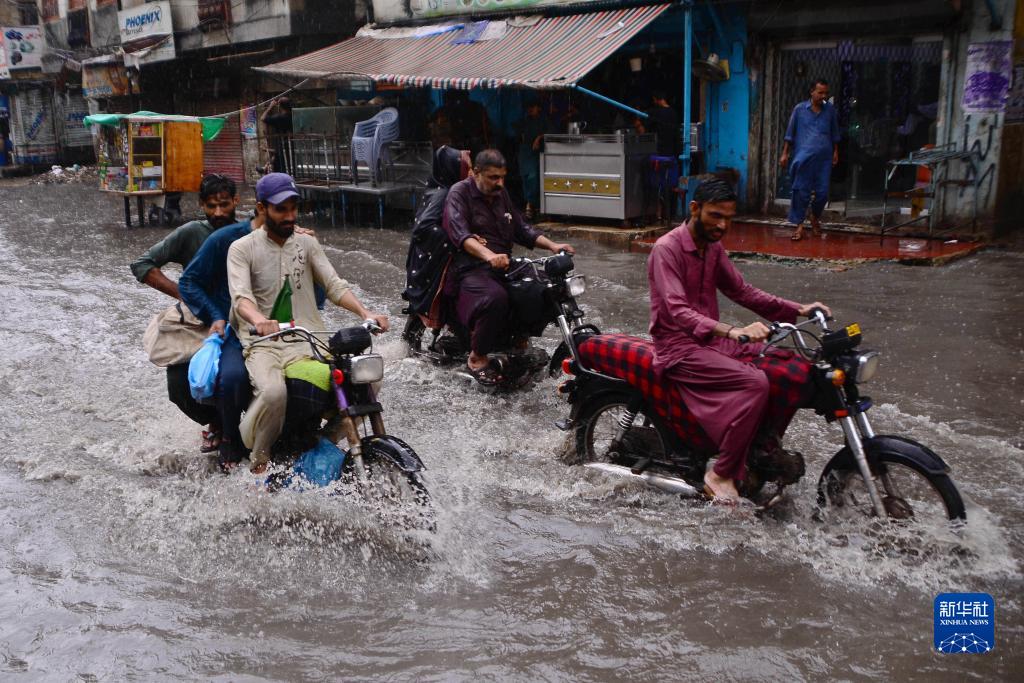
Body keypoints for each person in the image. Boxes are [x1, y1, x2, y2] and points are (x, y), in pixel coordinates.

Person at [647, 178, 830, 502]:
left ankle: (761, 450)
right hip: (678, 347)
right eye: (715, 216)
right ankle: (720, 473)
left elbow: (742, 291)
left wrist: (798, 309)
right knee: (754, 383)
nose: (722, 225)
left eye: (728, 218)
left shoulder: (713, 248)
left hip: (712, 342)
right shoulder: (666, 249)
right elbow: (678, 311)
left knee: (786, 369)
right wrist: (732, 331)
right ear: (695, 208)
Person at [227, 173, 389, 471]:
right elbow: (241, 299)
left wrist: (366, 313)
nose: (290, 216)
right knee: (274, 393)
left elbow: (334, 285)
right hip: (265, 343)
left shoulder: (306, 243)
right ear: (262, 208)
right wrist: (260, 320)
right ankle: (260, 461)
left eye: (293, 208)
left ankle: (325, 441)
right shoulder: (241, 248)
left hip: (310, 340)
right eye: (281, 210)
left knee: (368, 381)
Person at [130, 174, 241, 451]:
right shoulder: (192, 233)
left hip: (244, 319)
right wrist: (184, 294)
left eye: (224, 205)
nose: (219, 212)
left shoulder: (249, 231)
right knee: (178, 385)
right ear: (201, 204)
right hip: (201, 324)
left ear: (236, 201)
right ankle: (216, 422)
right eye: (211, 206)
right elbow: (143, 264)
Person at [442, 149, 573, 384]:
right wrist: (489, 255)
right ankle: (477, 356)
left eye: (502, 177)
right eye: (493, 177)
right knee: (495, 298)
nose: (500, 183)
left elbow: (522, 228)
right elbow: (461, 235)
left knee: (546, 288)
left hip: (504, 264)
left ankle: (518, 339)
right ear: (476, 173)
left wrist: (553, 246)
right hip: (470, 268)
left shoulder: (501, 194)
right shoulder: (459, 193)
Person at [780, 79, 840, 241]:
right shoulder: (799, 110)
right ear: (812, 92)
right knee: (801, 192)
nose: (824, 96)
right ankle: (799, 226)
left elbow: (834, 133)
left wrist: (836, 152)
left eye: (826, 93)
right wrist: (785, 153)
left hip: (824, 159)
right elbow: (789, 134)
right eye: (820, 92)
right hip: (803, 158)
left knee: (822, 193)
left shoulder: (830, 110)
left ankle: (814, 216)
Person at [515, 99, 549, 220]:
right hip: (525, 153)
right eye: (529, 107)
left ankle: (533, 205)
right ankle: (530, 205)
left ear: (538, 108)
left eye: (533, 107)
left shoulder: (544, 121)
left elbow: (550, 132)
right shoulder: (524, 121)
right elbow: (517, 133)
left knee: (534, 179)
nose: (530, 109)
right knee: (526, 179)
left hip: (536, 155)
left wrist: (539, 138)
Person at [261, 96, 293, 173]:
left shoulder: (279, 118)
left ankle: (266, 169)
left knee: (282, 167)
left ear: (280, 106)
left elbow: (262, 118)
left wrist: (270, 107)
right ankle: (265, 168)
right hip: (292, 145)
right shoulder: (293, 115)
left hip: (283, 148)